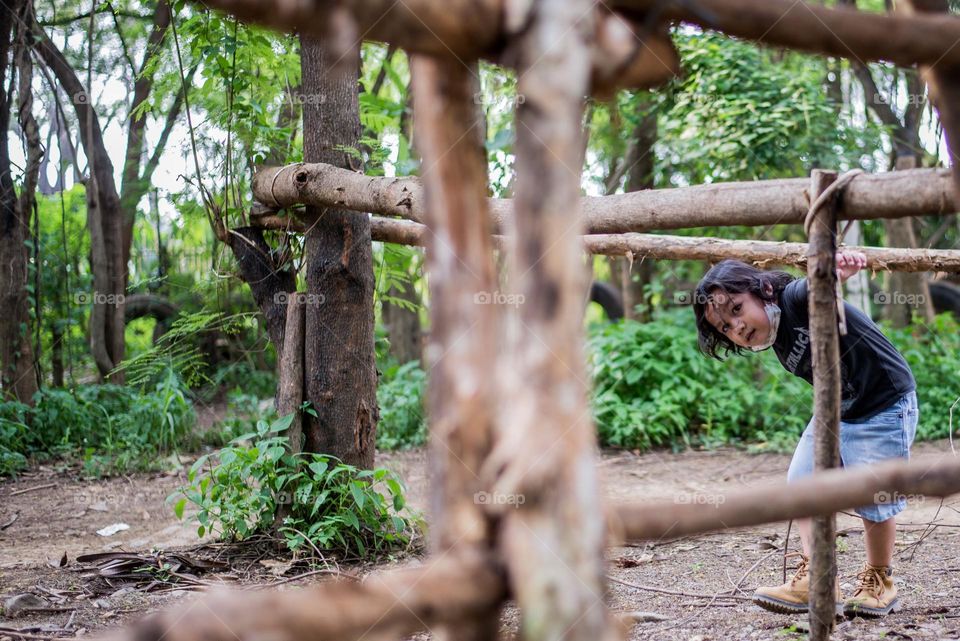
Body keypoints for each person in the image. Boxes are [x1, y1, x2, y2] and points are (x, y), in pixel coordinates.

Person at [692, 253, 918, 618]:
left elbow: (817, 286)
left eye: (736, 309)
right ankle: (819, 576)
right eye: (725, 327)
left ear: (763, 291)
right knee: (801, 483)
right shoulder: (775, 337)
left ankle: (880, 580)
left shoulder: (794, 299)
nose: (737, 327)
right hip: (835, 410)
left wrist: (835, 271)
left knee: (874, 498)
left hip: (882, 402)